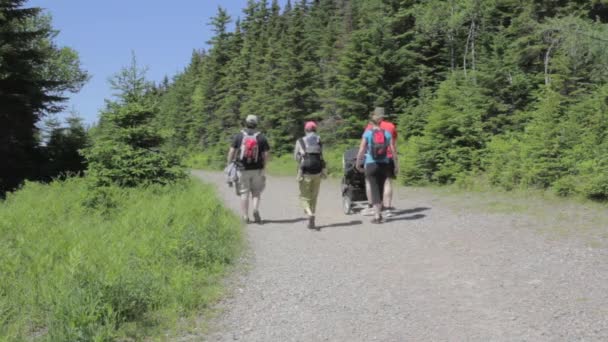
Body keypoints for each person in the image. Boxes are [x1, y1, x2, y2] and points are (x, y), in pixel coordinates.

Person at [227, 115, 270, 224]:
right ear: (256, 124)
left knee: (244, 192)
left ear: (245, 123)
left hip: (242, 169)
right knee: (256, 192)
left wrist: (229, 164)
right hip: (257, 169)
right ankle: (255, 209)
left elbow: (231, 151)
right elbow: (266, 155)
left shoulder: (239, 136)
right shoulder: (261, 137)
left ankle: (245, 216)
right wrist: (264, 167)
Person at [356, 111, 395, 223]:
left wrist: (358, 163)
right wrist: (396, 165)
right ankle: (383, 210)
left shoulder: (367, 133)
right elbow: (393, 150)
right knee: (382, 188)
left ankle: (377, 216)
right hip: (385, 164)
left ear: (371, 122)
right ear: (381, 121)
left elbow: (362, 149)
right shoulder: (387, 133)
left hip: (371, 164)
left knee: (374, 189)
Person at [294, 121, 326, 230]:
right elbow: (322, 156)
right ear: (315, 130)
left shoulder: (300, 141)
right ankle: (312, 216)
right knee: (314, 196)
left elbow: (296, 157)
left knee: (304, 196)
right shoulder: (319, 140)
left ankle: (309, 214)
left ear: (305, 130)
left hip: (305, 172)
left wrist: (301, 157)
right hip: (317, 172)